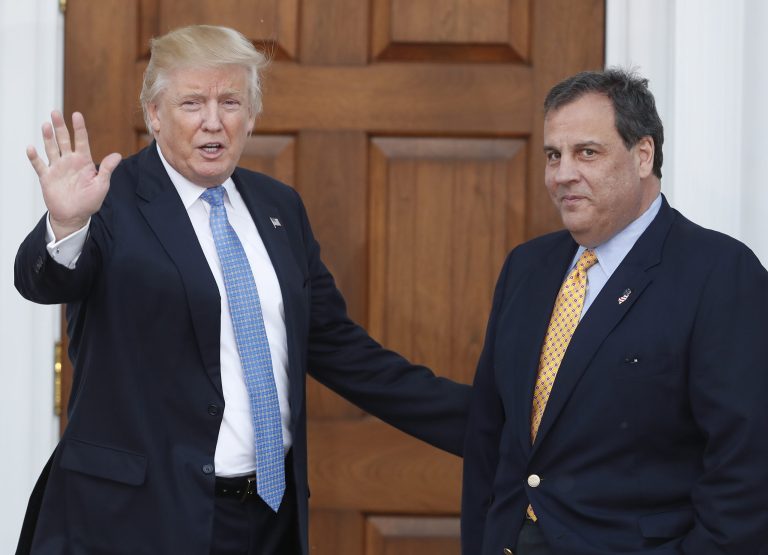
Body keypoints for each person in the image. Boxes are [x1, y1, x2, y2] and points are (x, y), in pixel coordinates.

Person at [15, 25, 469, 555]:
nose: (214, 121)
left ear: (251, 116)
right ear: (154, 114)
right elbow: (43, 280)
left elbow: (344, 353)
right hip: (135, 521)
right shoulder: (110, 204)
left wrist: (489, 425)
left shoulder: (280, 208)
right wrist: (65, 225)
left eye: (230, 101)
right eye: (191, 102)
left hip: (266, 519)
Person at [461, 68, 768, 555]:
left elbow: (746, 469)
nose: (563, 174)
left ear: (642, 154)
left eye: (587, 152)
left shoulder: (720, 273)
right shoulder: (527, 267)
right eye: (553, 155)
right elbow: (489, 435)